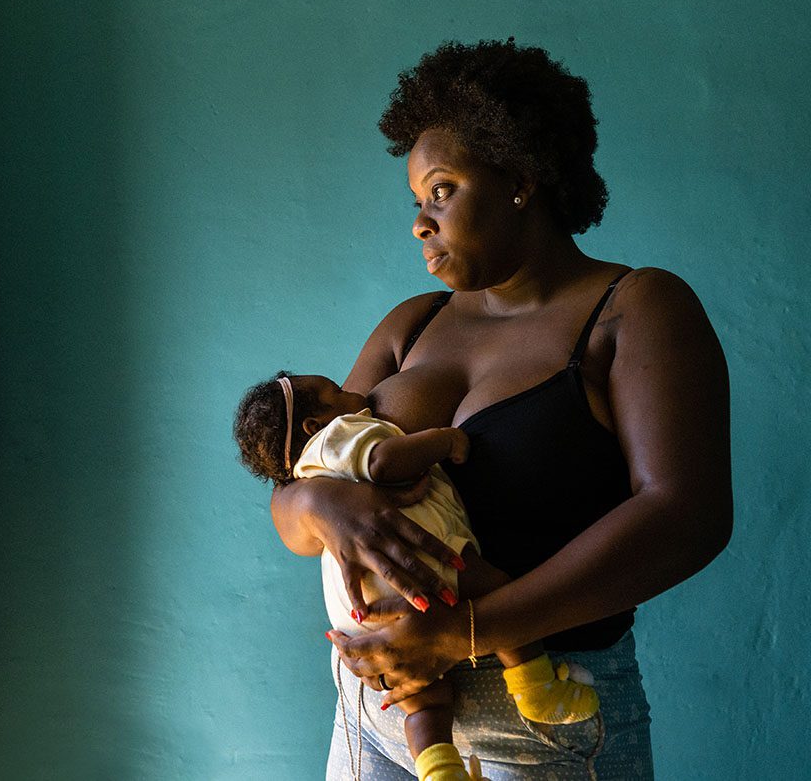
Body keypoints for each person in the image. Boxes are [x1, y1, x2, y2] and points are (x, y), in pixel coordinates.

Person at [268, 39, 732, 780]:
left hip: (545, 732)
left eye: (442, 190)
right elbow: (293, 503)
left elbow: (685, 515)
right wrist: (321, 502)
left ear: (520, 180)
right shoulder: (411, 324)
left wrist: (468, 631)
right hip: (381, 720)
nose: (421, 221)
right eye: (416, 201)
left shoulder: (637, 310)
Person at [234, 372, 600, 781]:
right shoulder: (340, 435)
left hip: (361, 611)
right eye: (337, 393)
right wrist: (444, 441)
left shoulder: (307, 466)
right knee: (496, 587)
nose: (355, 392)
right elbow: (384, 462)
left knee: (424, 703)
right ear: (312, 426)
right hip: (423, 564)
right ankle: (536, 688)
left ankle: (440, 770)